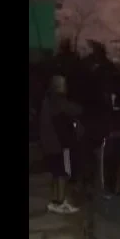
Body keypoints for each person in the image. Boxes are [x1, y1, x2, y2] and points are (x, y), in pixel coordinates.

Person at [39, 75, 83, 214]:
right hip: (57, 144)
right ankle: (61, 202)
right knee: (63, 173)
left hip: (48, 143)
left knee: (57, 173)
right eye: (63, 84)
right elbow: (75, 109)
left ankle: (56, 201)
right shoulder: (57, 99)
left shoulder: (48, 100)